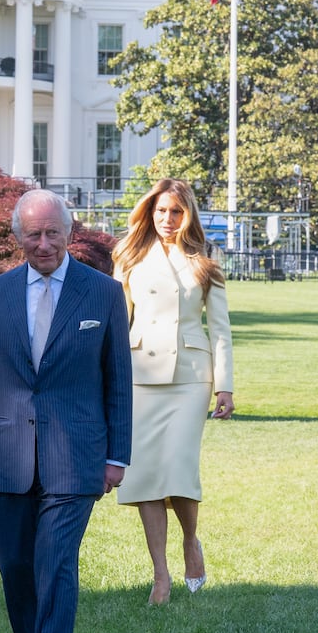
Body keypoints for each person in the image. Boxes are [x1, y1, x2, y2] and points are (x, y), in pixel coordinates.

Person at [0, 189, 132, 633]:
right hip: (8, 453)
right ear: (17, 237)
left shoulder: (102, 293)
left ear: (69, 233)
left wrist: (118, 456)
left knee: (56, 562)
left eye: (54, 232)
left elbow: (118, 379)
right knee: (15, 564)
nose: (45, 243)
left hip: (77, 455)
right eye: (34, 234)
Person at [111, 179, 234, 606]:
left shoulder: (206, 258)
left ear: (189, 215)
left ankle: (190, 541)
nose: (167, 219)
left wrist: (226, 386)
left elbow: (220, 328)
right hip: (140, 375)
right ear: (150, 212)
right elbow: (117, 326)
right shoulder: (128, 256)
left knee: (179, 471)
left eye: (176, 212)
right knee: (145, 476)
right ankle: (160, 575)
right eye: (161, 211)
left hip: (190, 377)